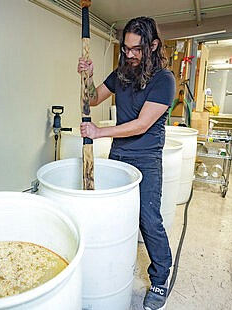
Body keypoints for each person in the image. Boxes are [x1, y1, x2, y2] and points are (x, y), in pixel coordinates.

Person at [78, 16, 175, 310]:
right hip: (119, 155)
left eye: (137, 49)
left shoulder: (164, 80)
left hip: (145, 159)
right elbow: (93, 98)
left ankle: (159, 278)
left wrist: (98, 132)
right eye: (126, 49)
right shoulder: (121, 73)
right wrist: (87, 76)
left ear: (153, 45)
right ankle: (113, 268)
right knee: (112, 216)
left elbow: (141, 125)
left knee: (149, 219)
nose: (130, 54)